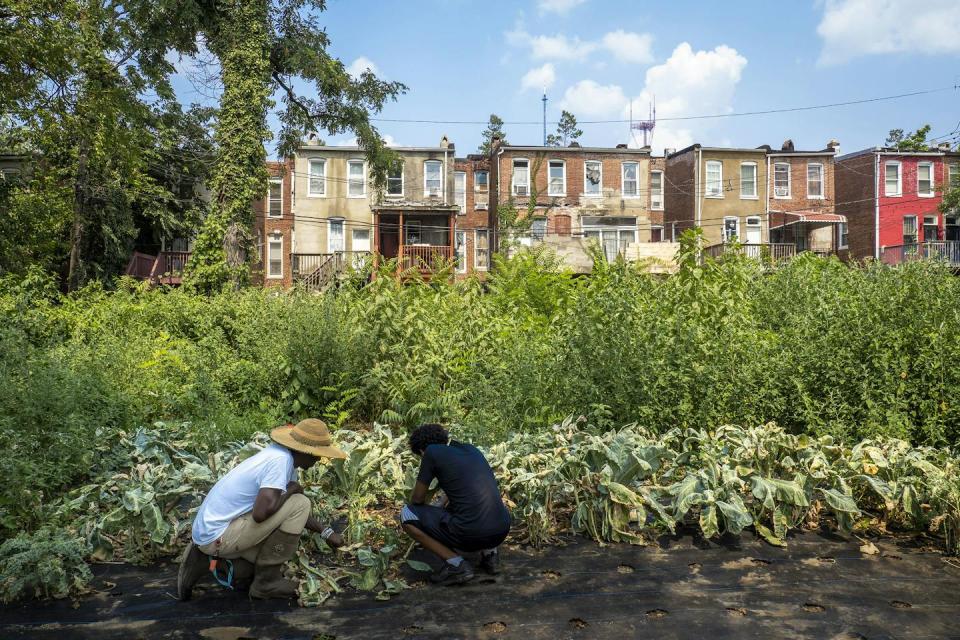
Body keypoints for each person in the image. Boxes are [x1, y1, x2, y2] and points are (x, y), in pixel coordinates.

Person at [177, 418, 347, 601]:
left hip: (213, 531)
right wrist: (291, 491)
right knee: (301, 502)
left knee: (270, 560)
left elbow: (284, 509)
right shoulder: (280, 462)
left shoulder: (281, 457)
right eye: (316, 454)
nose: (318, 459)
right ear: (305, 451)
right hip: (219, 536)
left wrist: (326, 532)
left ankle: (204, 561)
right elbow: (260, 515)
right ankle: (266, 584)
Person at [400, 424, 511, 586]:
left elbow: (417, 500)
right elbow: (462, 490)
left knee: (407, 514)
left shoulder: (431, 452)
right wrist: (441, 504)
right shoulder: (470, 449)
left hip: (472, 533)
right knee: (480, 506)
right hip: (502, 528)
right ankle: (490, 556)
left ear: (422, 451)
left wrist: (433, 510)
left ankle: (457, 565)